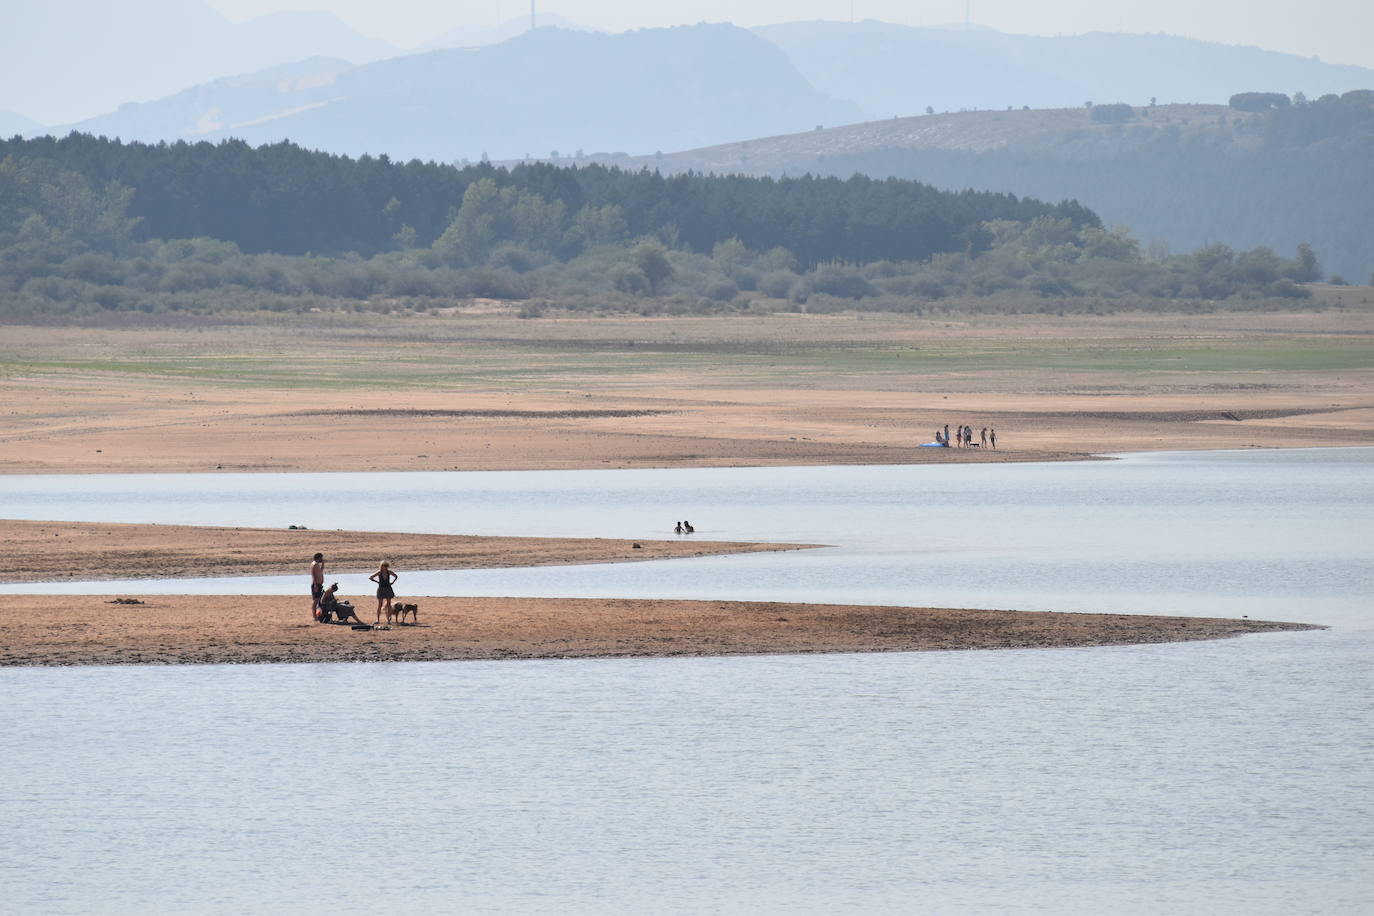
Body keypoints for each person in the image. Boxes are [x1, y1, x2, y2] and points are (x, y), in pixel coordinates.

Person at [310, 552, 325, 618]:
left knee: (318, 599)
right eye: (321, 558)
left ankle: (317, 614)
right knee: (316, 600)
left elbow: (321, 571)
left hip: (319, 584)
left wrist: (323, 563)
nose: (322, 559)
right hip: (316, 584)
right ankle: (314, 616)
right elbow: (313, 575)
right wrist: (315, 585)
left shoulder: (317, 565)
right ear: (318, 558)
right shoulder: (314, 564)